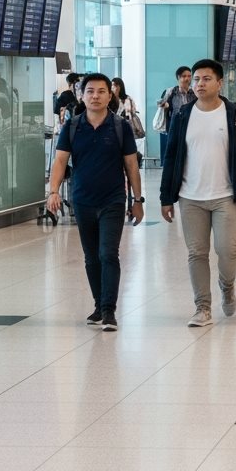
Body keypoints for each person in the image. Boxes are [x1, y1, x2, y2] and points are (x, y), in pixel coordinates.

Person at [159, 59, 236, 327]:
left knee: (228, 251)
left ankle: (226, 286)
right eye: (196, 79)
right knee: (196, 252)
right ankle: (202, 307)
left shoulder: (233, 114)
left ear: (220, 83)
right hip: (190, 196)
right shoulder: (182, 115)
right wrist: (165, 197)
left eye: (206, 79)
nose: (199, 84)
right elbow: (171, 157)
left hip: (225, 195)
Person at [47, 73, 142, 331]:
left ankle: (109, 310)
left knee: (108, 253)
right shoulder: (73, 127)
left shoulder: (120, 127)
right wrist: (53, 191)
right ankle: (99, 305)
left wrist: (137, 199)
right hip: (83, 200)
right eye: (90, 91)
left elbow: (131, 165)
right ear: (82, 95)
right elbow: (60, 161)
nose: (95, 96)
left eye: (101, 91)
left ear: (110, 96)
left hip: (113, 199)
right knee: (91, 257)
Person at [156, 66, 195, 167]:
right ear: (178, 77)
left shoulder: (194, 92)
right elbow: (163, 104)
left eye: (189, 76)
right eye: (184, 76)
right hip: (174, 128)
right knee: (173, 156)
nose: (187, 79)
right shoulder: (171, 92)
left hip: (191, 127)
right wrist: (165, 106)